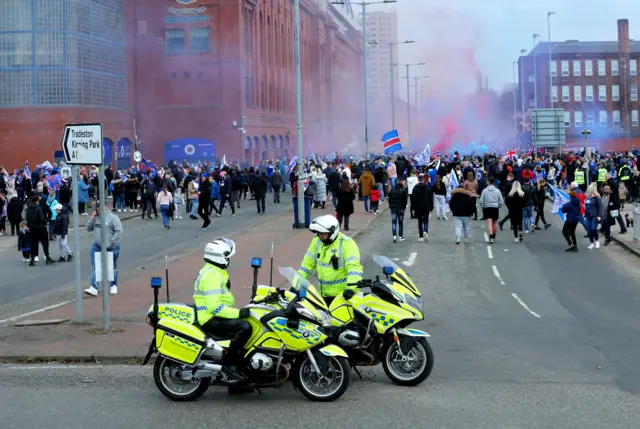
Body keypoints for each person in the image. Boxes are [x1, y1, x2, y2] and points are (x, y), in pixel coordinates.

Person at [195, 238, 252, 381]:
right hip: (211, 319)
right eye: (227, 256)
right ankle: (230, 364)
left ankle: (238, 379)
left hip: (214, 316)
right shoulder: (212, 275)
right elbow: (215, 307)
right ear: (219, 256)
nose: (229, 259)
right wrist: (238, 313)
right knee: (245, 327)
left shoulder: (213, 271)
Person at [298, 215, 363, 305]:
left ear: (333, 232)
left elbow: (354, 268)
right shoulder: (317, 241)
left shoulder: (347, 244)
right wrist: (296, 284)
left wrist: (351, 289)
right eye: (319, 233)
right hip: (322, 295)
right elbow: (306, 265)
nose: (321, 237)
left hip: (342, 297)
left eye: (324, 234)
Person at [84, 202, 123, 296]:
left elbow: (119, 231)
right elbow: (88, 228)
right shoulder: (96, 217)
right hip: (98, 245)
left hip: (111, 246)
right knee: (96, 266)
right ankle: (94, 287)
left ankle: (113, 285)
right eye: (97, 208)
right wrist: (92, 218)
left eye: (100, 207)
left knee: (112, 266)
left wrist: (112, 241)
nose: (98, 209)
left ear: (105, 206)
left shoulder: (113, 217)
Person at [25, 194, 55, 266]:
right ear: (37, 200)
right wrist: (45, 221)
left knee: (33, 243)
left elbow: (27, 218)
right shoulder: (38, 208)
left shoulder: (28, 209)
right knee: (45, 242)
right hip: (40, 227)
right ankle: (47, 257)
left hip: (31, 228)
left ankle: (32, 259)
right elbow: (41, 218)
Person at [479, 177, 504, 244]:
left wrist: (483, 206)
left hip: (487, 207)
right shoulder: (497, 191)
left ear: (488, 182)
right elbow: (501, 201)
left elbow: (481, 201)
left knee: (489, 223)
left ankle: (490, 237)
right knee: (494, 223)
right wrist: (499, 206)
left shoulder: (484, 190)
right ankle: (494, 236)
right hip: (495, 208)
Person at [410, 173, 434, 242]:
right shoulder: (427, 187)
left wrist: (413, 208)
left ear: (418, 180)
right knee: (426, 221)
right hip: (426, 206)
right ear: (423, 179)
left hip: (418, 207)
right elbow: (430, 198)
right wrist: (431, 206)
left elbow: (413, 199)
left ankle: (421, 236)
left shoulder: (415, 188)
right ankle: (425, 231)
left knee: (420, 221)